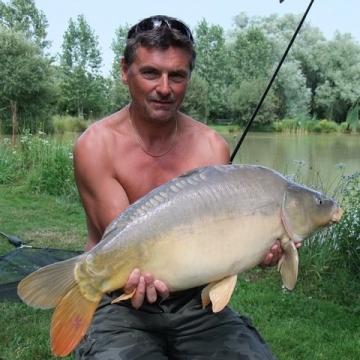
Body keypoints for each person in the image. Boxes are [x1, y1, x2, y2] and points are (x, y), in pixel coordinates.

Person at [73, 15, 285, 359]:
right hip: (116, 296)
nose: (164, 88)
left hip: (195, 301)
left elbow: (223, 239)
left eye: (178, 76)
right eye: (150, 73)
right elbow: (126, 248)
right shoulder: (96, 146)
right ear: (125, 71)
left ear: (189, 77)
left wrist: (259, 245)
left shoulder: (211, 147)